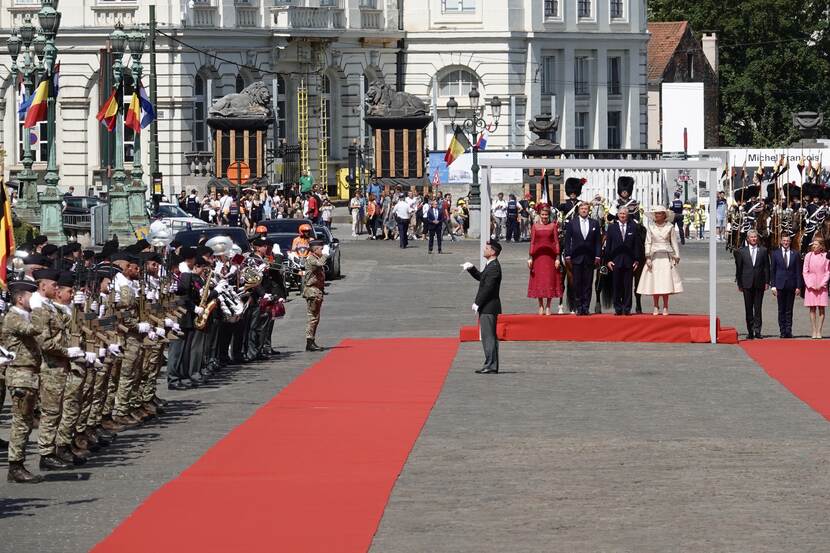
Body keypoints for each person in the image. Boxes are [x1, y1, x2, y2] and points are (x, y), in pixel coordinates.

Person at [2, 280, 45, 483]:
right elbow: (36, 329)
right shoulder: (13, 317)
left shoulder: (22, 315)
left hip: (29, 373)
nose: (33, 299)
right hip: (20, 374)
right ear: (20, 298)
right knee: (20, 422)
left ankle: (18, 464)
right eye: (30, 296)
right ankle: (15, 466)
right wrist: (38, 307)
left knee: (26, 422)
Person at [462, 240, 502, 374]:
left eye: (487, 248)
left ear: (493, 252)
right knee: (488, 336)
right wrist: (471, 268)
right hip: (487, 306)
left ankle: (491, 365)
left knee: (488, 337)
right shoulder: (490, 265)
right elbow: (481, 278)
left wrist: (477, 302)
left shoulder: (494, 267)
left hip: (489, 307)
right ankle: (490, 364)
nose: (484, 250)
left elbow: (488, 288)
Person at [637, 205, 683, 315]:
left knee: (666, 282)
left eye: (660, 213)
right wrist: (647, 257)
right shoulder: (651, 227)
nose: (658, 215)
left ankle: (666, 306)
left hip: (666, 256)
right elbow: (648, 242)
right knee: (655, 283)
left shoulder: (670, 227)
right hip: (654, 257)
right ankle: (656, 306)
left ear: (664, 215)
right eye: (656, 213)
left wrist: (676, 256)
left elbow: (674, 242)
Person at [603, 206, 642, 316]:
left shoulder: (633, 227)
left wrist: (637, 260)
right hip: (615, 261)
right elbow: (608, 246)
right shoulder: (612, 228)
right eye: (621, 214)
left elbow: (636, 245)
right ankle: (618, 308)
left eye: (624, 214)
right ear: (618, 215)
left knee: (628, 286)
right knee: (616, 286)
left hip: (629, 262)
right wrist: (608, 261)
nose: (623, 216)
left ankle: (627, 308)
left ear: (627, 215)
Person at [564, 202, 601, 316]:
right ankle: (578, 307)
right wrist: (568, 255)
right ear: (578, 210)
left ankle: (586, 307)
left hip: (589, 258)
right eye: (582, 209)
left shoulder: (594, 223)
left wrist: (598, 255)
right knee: (577, 283)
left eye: (586, 209)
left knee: (588, 284)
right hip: (576, 257)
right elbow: (567, 240)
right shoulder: (572, 223)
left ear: (588, 210)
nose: (584, 210)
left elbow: (598, 242)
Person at [527, 205, 562, 315]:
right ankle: (541, 305)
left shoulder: (553, 226)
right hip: (538, 257)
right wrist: (530, 257)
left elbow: (556, 242)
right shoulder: (535, 226)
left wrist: (557, 257)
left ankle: (548, 306)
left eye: (546, 215)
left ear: (549, 215)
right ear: (539, 215)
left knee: (549, 280)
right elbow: (532, 242)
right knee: (540, 281)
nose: (544, 217)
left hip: (550, 257)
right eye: (542, 215)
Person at [735, 229, 770, 339]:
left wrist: (767, 282)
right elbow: (739, 269)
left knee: (758, 308)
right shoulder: (742, 251)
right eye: (751, 237)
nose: (754, 239)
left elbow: (766, 268)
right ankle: (750, 331)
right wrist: (739, 284)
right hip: (747, 283)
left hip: (759, 283)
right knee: (748, 308)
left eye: (755, 237)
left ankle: (758, 331)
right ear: (748, 239)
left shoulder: (763, 251)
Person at [769, 234, 802, 338]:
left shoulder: (795, 254)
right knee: (781, 309)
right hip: (780, 285)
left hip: (791, 285)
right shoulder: (775, 254)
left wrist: (798, 286)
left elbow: (798, 271)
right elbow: (772, 271)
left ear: (790, 241)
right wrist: (773, 286)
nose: (786, 242)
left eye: (787, 240)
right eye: (784, 240)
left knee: (789, 310)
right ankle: (782, 331)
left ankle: (788, 330)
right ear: (781, 241)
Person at [302, 240, 329, 351]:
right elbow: (320, 264)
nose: (322, 251)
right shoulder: (312, 259)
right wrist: (326, 255)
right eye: (320, 249)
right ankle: (310, 342)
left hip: (316, 290)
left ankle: (311, 341)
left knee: (315, 318)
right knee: (312, 318)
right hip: (312, 291)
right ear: (315, 249)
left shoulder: (315, 257)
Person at [802, 238, 830, 339]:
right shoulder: (808, 256)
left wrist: (822, 284)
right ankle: (813, 330)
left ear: (821, 246)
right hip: (811, 284)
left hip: (822, 285)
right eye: (813, 245)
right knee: (812, 308)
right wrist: (810, 284)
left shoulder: (826, 256)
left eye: (816, 245)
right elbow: (805, 271)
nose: (814, 246)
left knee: (821, 309)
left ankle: (819, 331)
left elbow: (828, 271)